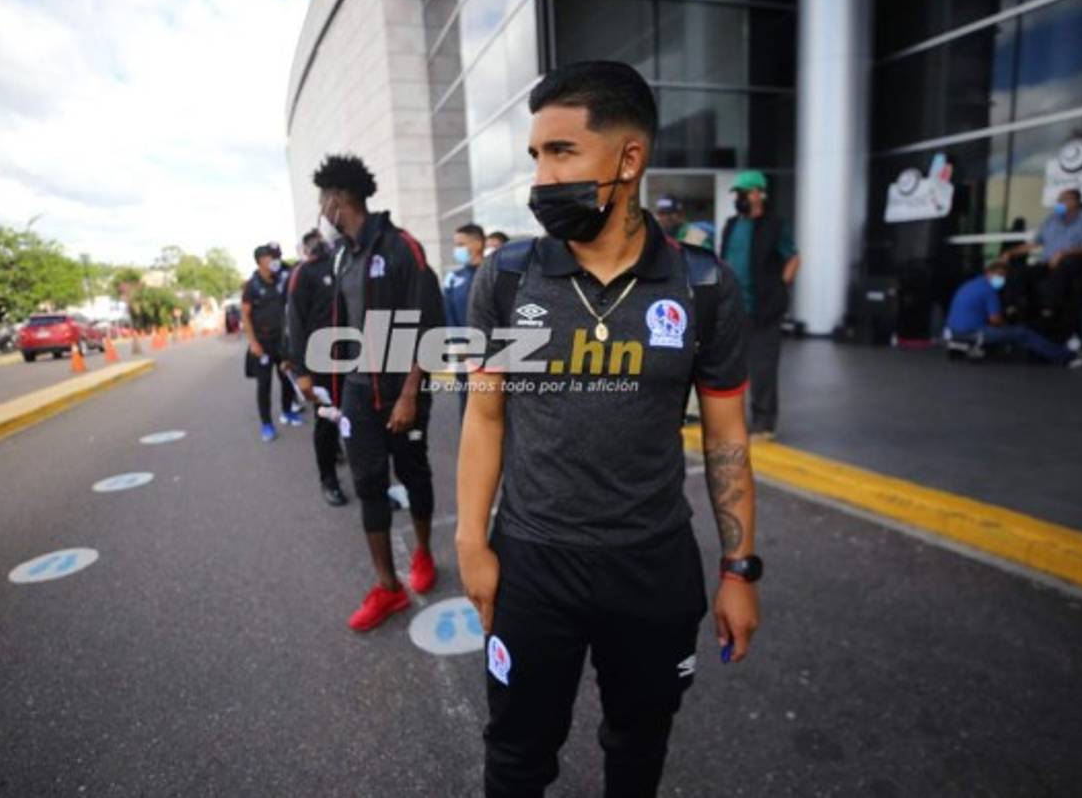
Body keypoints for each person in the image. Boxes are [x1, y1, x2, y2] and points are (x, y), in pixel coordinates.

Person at [457, 60, 760, 798]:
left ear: (629, 158)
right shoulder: (505, 278)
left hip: (651, 566)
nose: (541, 176)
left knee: (637, 742)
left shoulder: (705, 285)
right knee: (518, 752)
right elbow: (485, 414)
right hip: (533, 561)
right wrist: (471, 541)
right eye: (535, 155)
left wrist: (739, 568)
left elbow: (726, 440)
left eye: (561, 152)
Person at [309, 153, 445, 631]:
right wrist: (331, 390)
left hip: (399, 392)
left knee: (413, 473)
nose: (321, 208)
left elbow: (428, 325)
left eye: (324, 198)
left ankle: (425, 554)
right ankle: (388, 588)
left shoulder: (402, 246)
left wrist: (410, 393)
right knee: (368, 483)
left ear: (339, 198)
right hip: (357, 394)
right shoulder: (343, 255)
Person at [719, 169, 800, 441]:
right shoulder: (731, 225)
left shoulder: (775, 226)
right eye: (736, 194)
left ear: (757, 194)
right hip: (733, 309)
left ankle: (764, 423)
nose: (738, 199)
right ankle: (734, 420)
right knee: (730, 368)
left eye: (742, 193)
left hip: (764, 310)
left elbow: (793, 258)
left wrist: (780, 285)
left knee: (762, 369)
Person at [286, 229, 349, 507]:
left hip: (355, 358)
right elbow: (296, 324)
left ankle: (369, 480)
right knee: (326, 422)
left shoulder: (348, 265)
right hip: (321, 363)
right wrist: (301, 372)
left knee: (360, 423)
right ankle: (329, 479)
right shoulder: (304, 273)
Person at [945, 259, 1082, 368]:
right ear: (989, 273)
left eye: (1003, 277)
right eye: (999, 276)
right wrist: (1008, 325)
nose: (1001, 280)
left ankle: (1061, 352)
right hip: (974, 332)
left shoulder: (970, 284)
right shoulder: (989, 291)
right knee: (1022, 333)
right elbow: (995, 320)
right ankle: (1068, 357)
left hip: (954, 331)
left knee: (1013, 332)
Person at [1003, 188, 1082, 335]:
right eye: (1059, 200)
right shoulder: (1052, 219)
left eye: (1064, 200)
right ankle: (1013, 309)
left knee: (1060, 273)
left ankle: (1049, 312)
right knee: (1020, 273)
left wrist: (1063, 253)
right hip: (1047, 262)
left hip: (1071, 263)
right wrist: (1011, 252)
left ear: (1075, 201)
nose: (1060, 204)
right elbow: (1035, 243)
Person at [242, 243, 301, 442]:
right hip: (262, 344)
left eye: (275, 257)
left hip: (282, 342)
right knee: (264, 385)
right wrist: (253, 343)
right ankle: (267, 424)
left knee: (287, 379)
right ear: (260, 261)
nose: (274, 261)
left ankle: (287, 411)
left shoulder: (281, 279)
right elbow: (245, 315)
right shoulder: (252, 285)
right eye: (270, 257)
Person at [443, 223, 486, 416]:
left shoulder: (494, 274)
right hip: (464, 352)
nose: (457, 249)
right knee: (467, 403)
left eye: (461, 244)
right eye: (456, 245)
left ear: (477, 244)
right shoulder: (453, 278)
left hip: (493, 352)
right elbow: (448, 314)